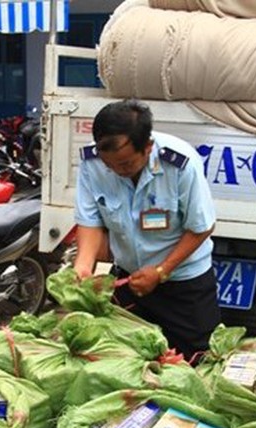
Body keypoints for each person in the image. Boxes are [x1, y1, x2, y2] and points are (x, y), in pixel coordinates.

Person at [72, 99, 221, 360]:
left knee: (194, 360)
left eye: (126, 164)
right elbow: (90, 220)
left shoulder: (179, 164)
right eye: (109, 165)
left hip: (183, 283)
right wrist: (83, 265)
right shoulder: (92, 163)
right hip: (131, 280)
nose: (117, 171)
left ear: (148, 147)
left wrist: (162, 271)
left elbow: (201, 227)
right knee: (130, 361)